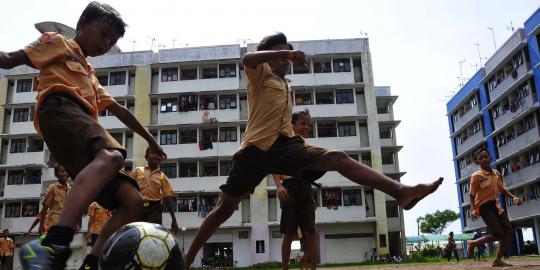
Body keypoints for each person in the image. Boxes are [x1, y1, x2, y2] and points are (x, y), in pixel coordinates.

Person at [183, 32, 444, 268]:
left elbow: (285, 123)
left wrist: (305, 152)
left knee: (337, 158)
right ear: (272, 56)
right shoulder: (260, 74)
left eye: (288, 55)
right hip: (254, 151)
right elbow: (248, 58)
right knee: (225, 208)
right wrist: (285, 53)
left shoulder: (287, 86)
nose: (285, 60)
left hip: (286, 146)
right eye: (281, 54)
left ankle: (400, 192)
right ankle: (186, 260)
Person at [0, 2, 166, 270]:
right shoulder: (57, 42)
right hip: (59, 109)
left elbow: (120, 110)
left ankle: (91, 261)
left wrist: (151, 139)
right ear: (82, 25)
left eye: (111, 40)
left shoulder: (91, 75)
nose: (106, 42)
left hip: (78, 131)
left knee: (132, 201)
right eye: (103, 33)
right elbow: (8, 59)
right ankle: (54, 242)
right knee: (112, 155)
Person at [274, 109, 319, 270]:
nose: (306, 127)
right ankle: (285, 268)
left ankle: (313, 268)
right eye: (302, 123)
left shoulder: (307, 146)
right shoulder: (284, 142)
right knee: (288, 232)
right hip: (288, 188)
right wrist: (279, 185)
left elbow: (308, 174)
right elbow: (275, 166)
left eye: (308, 125)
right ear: (292, 125)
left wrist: (312, 198)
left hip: (305, 188)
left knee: (311, 230)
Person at [466, 148, 522, 267]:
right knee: (497, 233)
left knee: (508, 231)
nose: (484, 159)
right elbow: (471, 194)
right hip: (484, 207)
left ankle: (497, 260)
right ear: (477, 162)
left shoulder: (496, 173)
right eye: (481, 158)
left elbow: (502, 189)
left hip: (496, 206)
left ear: (490, 158)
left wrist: (513, 197)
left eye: (486, 156)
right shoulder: (476, 176)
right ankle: (473, 242)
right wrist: (473, 209)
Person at [130, 147, 179, 234]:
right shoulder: (137, 171)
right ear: (146, 157)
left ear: (161, 159)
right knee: (137, 233)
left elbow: (167, 198)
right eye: (153, 153)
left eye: (159, 154)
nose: (156, 156)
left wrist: (174, 219)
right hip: (138, 208)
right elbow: (129, 189)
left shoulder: (162, 177)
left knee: (153, 234)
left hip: (154, 209)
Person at [37, 164, 71, 235]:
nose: (65, 173)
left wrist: (76, 224)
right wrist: (41, 225)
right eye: (62, 171)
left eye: (66, 171)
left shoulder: (71, 189)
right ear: (56, 174)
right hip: (54, 226)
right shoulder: (53, 189)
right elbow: (45, 209)